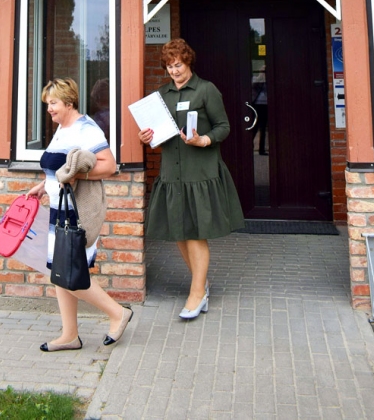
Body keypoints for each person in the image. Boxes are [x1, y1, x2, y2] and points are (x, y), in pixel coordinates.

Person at [139, 38, 244, 320]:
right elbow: (159, 134)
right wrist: (147, 138)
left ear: (188, 63)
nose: (174, 71)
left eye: (178, 65)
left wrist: (205, 140)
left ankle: (196, 293)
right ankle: (202, 284)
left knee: (196, 233)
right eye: (170, 66)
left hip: (201, 171)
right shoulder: (162, 94)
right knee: (180, 233)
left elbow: (224, 126)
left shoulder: (206, 90)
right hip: (172, 174)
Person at [28, 78, 133, 351]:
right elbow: (59, 166)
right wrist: (43, 185)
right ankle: (70, 335)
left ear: (68, 101)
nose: (48, 109)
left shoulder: (86, 128)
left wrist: (77, 174)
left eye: (53, 103)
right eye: (47, 104)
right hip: (58, 209)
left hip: (76, 213)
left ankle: (118, 313)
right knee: (59, 271)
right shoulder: (63, 129)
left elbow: (109, 166)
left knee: (71, 273)